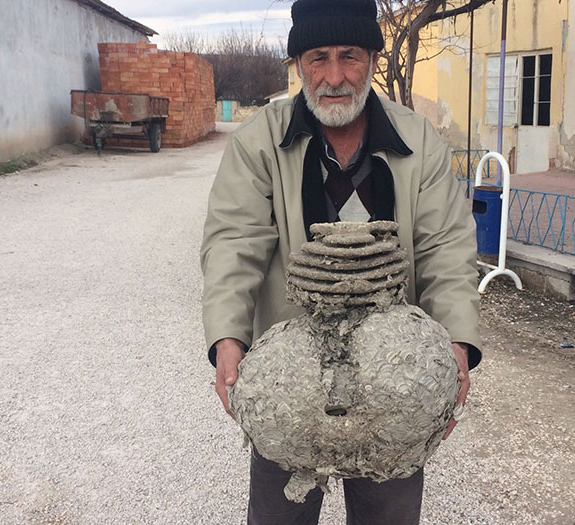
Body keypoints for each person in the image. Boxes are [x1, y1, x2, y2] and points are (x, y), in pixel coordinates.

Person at [200, 0, 482, 522]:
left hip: (391, 382)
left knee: (387, 514)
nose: (334, 77)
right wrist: (227, 338)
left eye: (349, 56)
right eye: (317, 58)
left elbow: (447, 248)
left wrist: (457, 342)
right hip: (291, 377)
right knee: (279, 515)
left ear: (373, 57)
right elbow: (233, 243)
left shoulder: (419, 144)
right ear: (298, 64)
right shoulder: (260, 141)